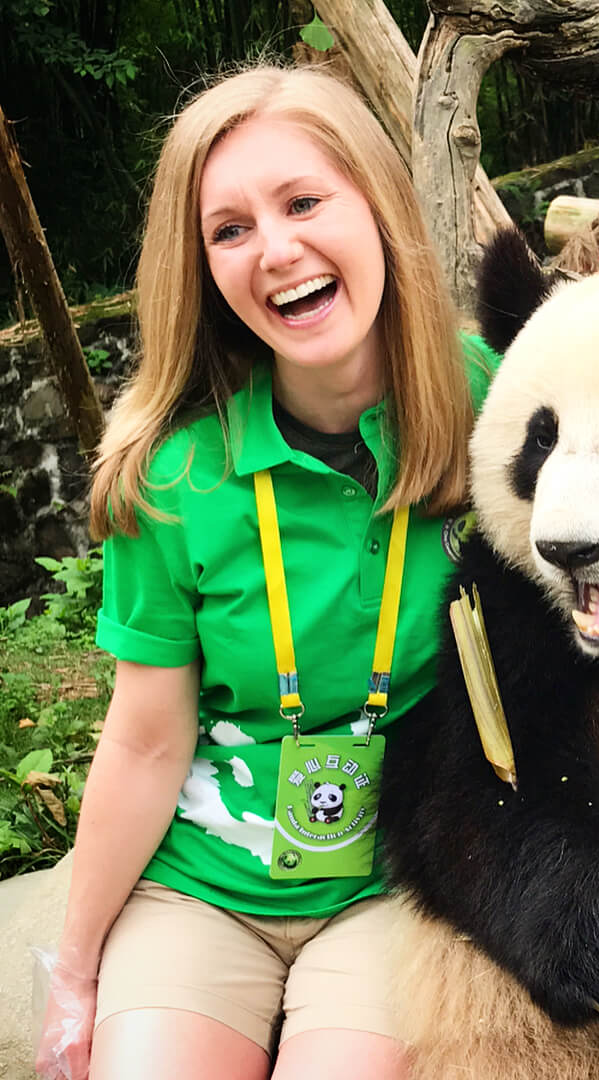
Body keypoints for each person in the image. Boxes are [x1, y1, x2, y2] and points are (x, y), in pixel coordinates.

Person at [35, 62, 497, 1080]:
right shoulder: (171, 475)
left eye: (302, 202)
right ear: (200, 267)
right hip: (203, 888)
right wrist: (71, 968)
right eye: (229, 228)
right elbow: (147, 742)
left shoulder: (500, 405)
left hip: (396, 880)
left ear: (376, 205)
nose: (276, 251)